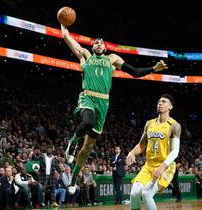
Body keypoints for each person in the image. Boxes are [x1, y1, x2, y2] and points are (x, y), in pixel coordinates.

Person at [61, 24, 168, 194]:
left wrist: (154, 69)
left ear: (105, 47)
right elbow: (67, 38)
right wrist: (63, 25)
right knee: (87, 122)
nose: (98, 44)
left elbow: (134, 72)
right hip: (88, 97)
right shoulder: (85, 56)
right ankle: (72, 142)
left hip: (103, 103)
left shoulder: (112, 59)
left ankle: (74, 175)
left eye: (101, 43)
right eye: (95, 42)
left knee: (87, 149)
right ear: (92, 46)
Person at [126, 94, 181, 210]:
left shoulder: (175, 126)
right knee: (134, 193)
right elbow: (141, 145)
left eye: (164, 102)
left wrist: (163, 166)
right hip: (149, 165)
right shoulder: (149, 123)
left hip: (166, 166)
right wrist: (131, 152)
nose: (160, 103)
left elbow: (175, 151)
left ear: (170, 107)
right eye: (159, 102)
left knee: (146, 193)